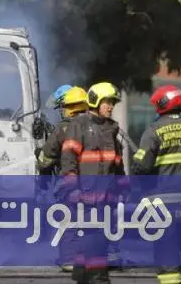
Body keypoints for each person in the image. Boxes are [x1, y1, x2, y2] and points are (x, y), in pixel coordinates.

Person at [132, 85, 181, 284]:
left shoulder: (154, 131)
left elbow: (141, 167)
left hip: (164, 206)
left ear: (162, 105)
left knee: (167, 249)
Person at [59, 81, 124, 284]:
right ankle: (98, 279)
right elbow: (68, 159)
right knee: (94, 241)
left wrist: (123, 187)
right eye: (107, 102)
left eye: (112, 103)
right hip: (85, 196)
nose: (111, 106)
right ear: (95, 101)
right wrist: (72, 190)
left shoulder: (111, 129)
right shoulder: (79, 125)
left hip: (106, 197)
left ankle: (82, 276)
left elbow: (117, 163)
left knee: (95, 241)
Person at [36, 85, 88, 273]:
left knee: (69, 221)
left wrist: (39, 154)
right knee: (96, 222)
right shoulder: (98, 126)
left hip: (70, 182)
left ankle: (69, 260)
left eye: (62, 107)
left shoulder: (62, 129)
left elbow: (44, 161)